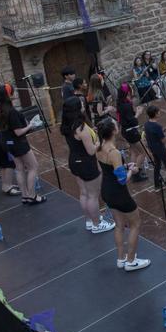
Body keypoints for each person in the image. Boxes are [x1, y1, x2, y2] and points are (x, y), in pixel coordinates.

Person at [96, 118, 150, 272]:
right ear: (114, 131)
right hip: (118, 193)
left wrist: (125, 165)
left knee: (119, 225)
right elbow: (122, 180)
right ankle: (131, 260)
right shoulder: (113, 152)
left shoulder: (99, 147)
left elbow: (109, 168)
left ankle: (121, 258)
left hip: (106, 190)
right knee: (135, 224)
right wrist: (131, 171)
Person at [61, 97, 114, 234]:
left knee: (84, 193)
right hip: (86, 163)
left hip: (74, 161)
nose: (83, 105)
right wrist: (98, 142)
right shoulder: (81, 128)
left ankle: (90, 220)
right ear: (77, 109)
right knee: (93, 195)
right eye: (81, 104)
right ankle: (97, 224)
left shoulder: (67, 125)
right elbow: (91, 150)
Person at [0, 84, 44, 204]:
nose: (14, 93)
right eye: (12, 91)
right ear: (9, 95)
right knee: (33, 167)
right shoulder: (11, 112)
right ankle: (32, 195)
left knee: (20, 169)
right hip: (18, 143)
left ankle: (25, 196)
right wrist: (30, 125)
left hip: (8, 143)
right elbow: (18, 132)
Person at [116, 82, 148, 182]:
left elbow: (126, 117)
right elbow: (133, 121)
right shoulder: (126, 105)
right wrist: (138, 113)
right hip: (131, 131)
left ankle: (133, 171)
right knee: (143, 152)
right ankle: (136, 171)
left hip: (125, 131)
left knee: (134, 151)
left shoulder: (120, 103)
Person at [143, 104, 166, 191]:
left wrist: (162, 131)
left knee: (157, 164)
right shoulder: (157, 126)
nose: (159, 112)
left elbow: (150, 135)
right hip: (160, 148)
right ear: (155, 114)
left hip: (152, 147)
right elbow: (163, 140)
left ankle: (156, 184)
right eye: (158, 112)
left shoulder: (146, 124)